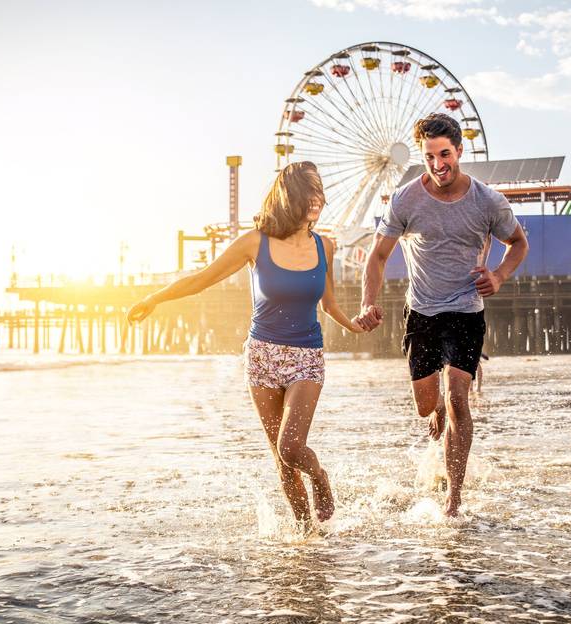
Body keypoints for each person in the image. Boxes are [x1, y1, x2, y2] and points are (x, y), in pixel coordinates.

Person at [127, 161, 363, 528]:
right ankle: (306, 537)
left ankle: (320, 478)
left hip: (307, 357)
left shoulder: (325, 246)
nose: (317, 199)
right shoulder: (255, 242)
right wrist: (155, 298)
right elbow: (203, 279)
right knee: (281, 461)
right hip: (262, 357)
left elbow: (329, 304)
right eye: (309, 192)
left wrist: (355, 324)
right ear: (290, 197)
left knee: (291, 447)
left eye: (319, 191)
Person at [354, 113, 529, 517]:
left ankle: (454, 498)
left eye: (444, 154)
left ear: (460, 150)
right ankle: (437, 409)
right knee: (427, 404)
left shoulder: (487, 201)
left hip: (467, 311)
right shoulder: (407, 199)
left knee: (458, 399)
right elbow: (378, 256)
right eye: (429, 156)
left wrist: (499, 276)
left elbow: (518, 243)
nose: (438, 165)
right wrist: (368, 301)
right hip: (423, 312)